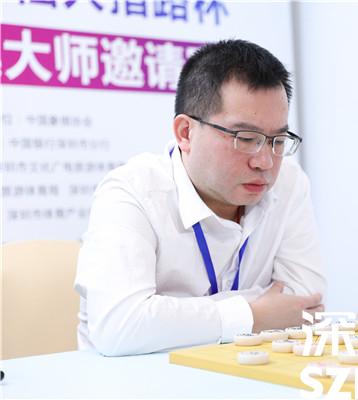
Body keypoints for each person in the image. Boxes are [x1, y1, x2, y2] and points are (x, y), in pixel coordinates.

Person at [74, 39, 326, 356]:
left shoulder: (288, 182)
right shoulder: (130, 192)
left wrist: (169, 317)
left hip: (248, 370)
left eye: (277, 140)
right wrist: (255, 315)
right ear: (186, 132)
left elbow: (305, 303)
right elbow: (121, 326)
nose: (265, 161)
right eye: (246, 138)